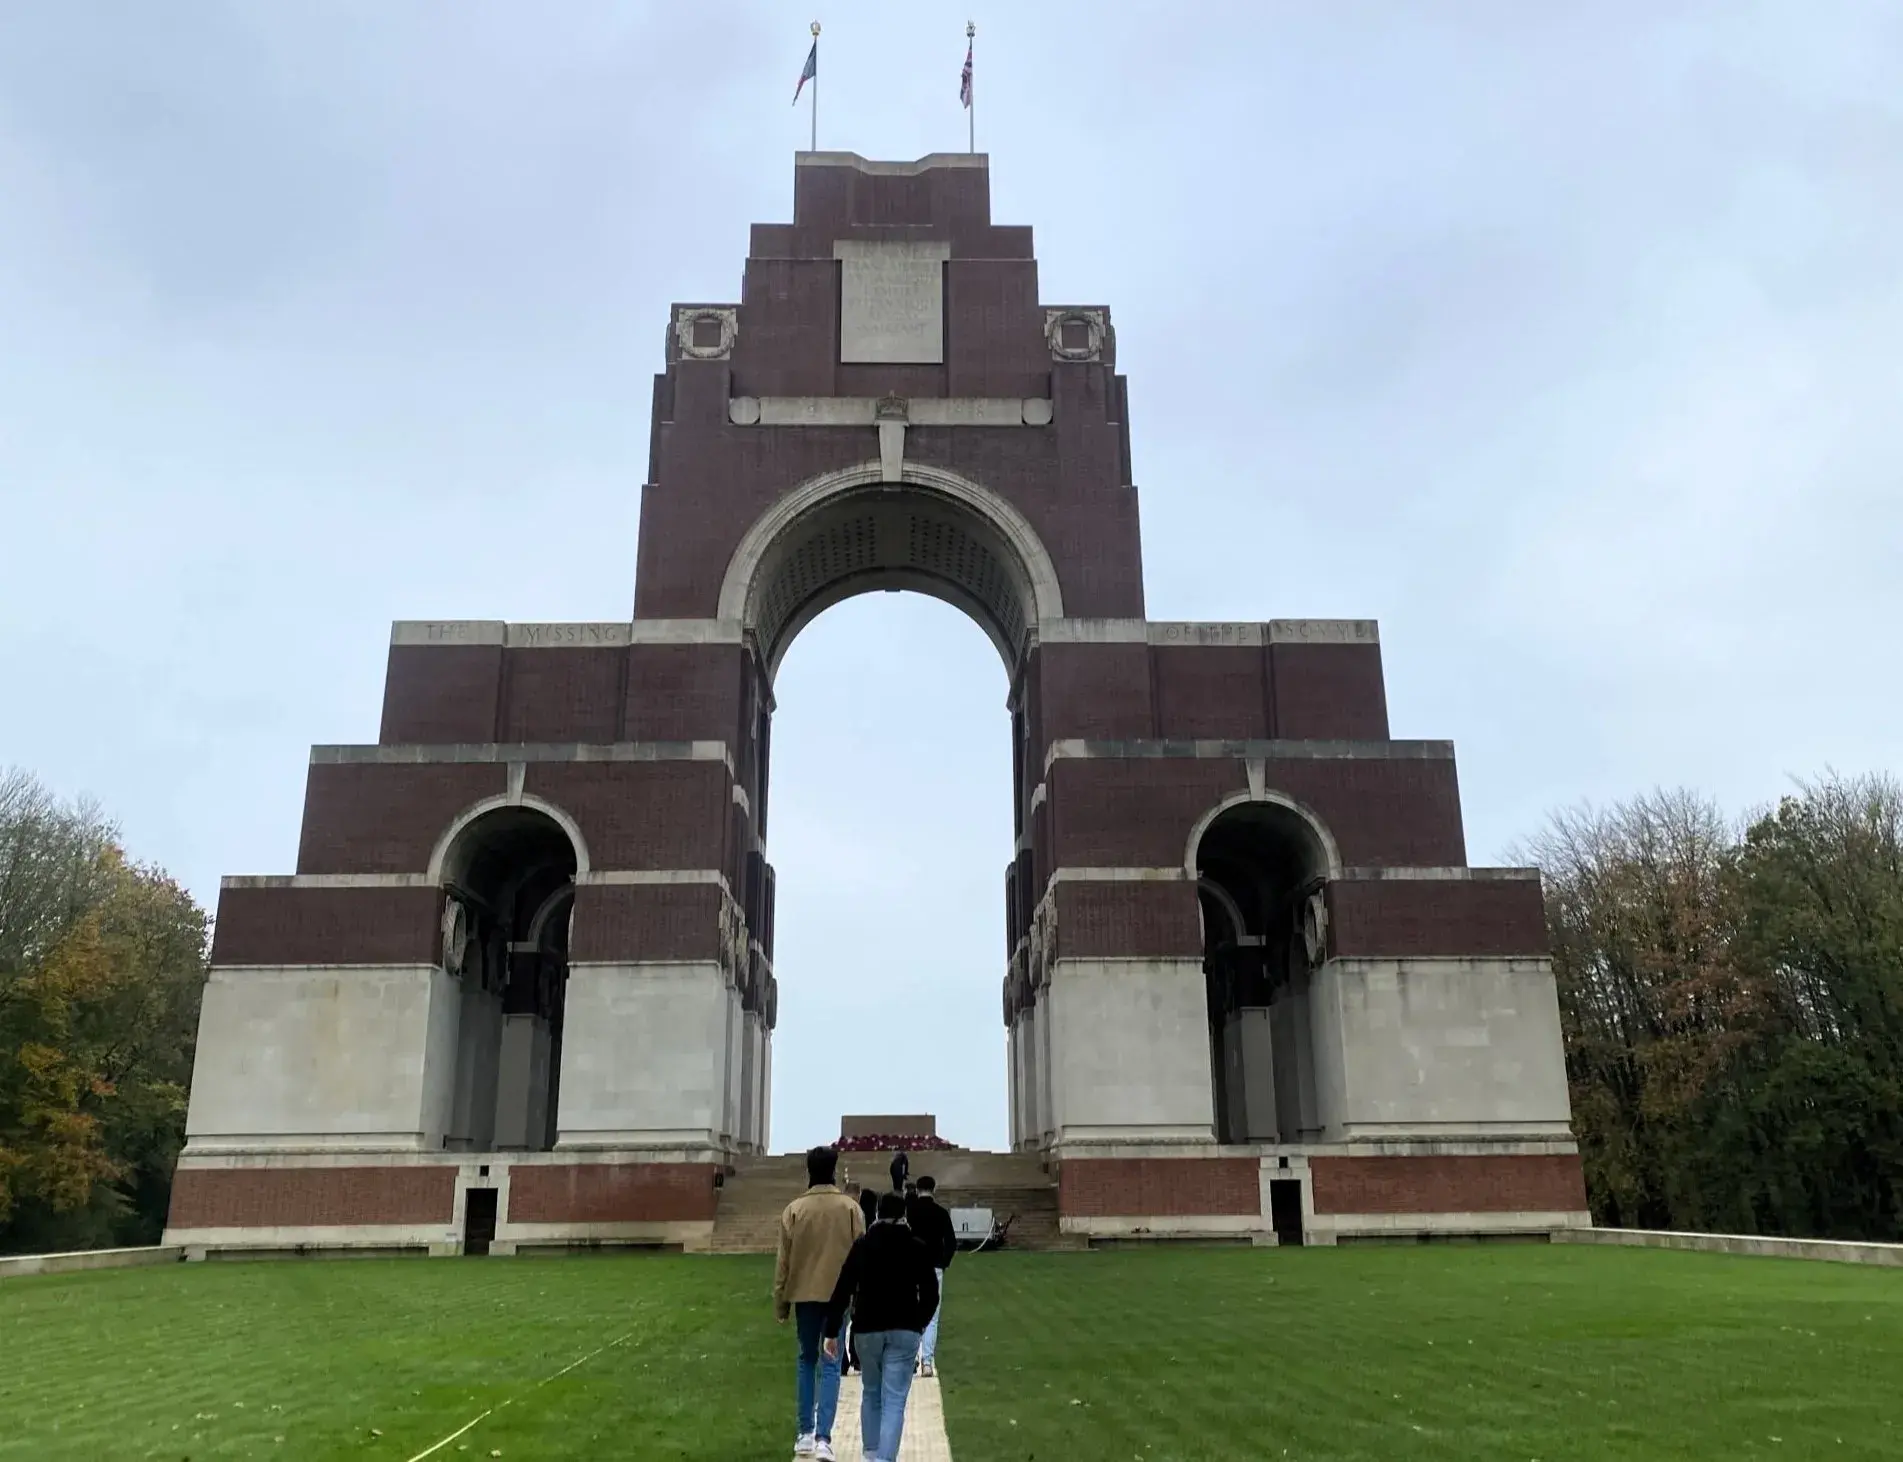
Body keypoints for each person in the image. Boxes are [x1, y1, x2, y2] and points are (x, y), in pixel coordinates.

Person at [823, 1193, 940, 1462]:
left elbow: (843, 1289)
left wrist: (831, 1330)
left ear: (876, 1214)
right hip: (905, 1327)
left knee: (871, 1391)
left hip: (867, 1327)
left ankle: (870, 1453)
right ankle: (884, 1459)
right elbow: (931, 1294)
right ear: (904, 1216)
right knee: (895, 1400)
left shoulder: (862, 1246)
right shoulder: (916, 1246)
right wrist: (919, 1322)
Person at [775, 1145, 865, 1461]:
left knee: (806, 1359)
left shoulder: (794, 1210)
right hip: (837, 1298)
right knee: (830, 1362)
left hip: (804, 1295)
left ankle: (805, 1433)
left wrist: (780, 1303)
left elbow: (783, 1263)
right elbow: (861, 1258)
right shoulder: (850, 1209)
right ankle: (824, 1437)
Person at [907, 1175, 958, 1378]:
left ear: (918, 1190)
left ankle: (912, 1358)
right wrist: (943, 1262)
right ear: (933, 1190)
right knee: (932, 1316)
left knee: (910, 1312)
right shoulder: (941, 1213)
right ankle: (927, 1361)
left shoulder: (909, 1212)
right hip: (934, 1266)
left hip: (911, 1267)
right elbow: (951, 1242)